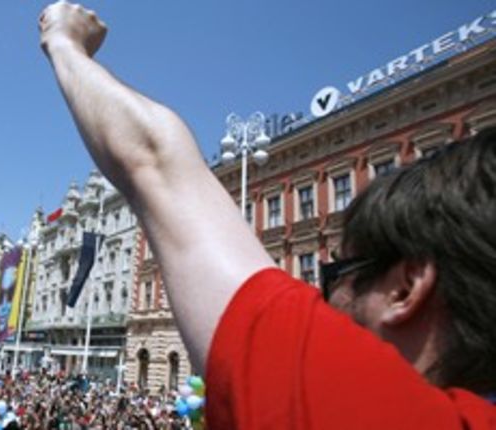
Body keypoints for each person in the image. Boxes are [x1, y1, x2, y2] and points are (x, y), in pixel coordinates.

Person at [38, 1, 496, 428]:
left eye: (342, 273)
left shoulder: (369, 408)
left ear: (405, 288)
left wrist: (65, 42)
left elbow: (153, 163)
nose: (327, 296)